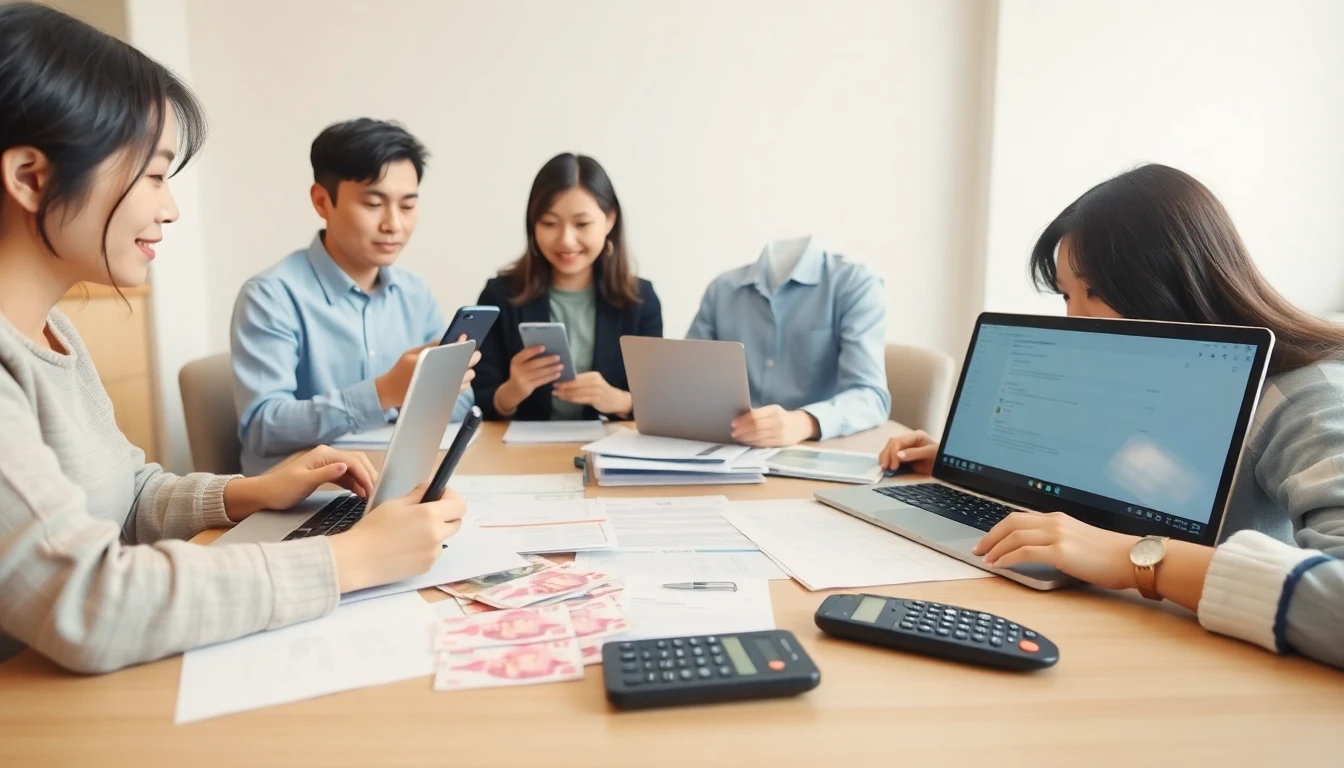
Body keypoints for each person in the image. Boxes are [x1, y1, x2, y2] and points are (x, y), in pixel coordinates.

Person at [0, 4, 465, 673]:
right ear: (31, 178)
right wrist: (353, 558)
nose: (170, 207)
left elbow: (126, 493)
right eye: (155, 174)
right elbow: (88, 600)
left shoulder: (55, 331)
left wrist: (245, 493)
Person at [879, 164, 1344, 669]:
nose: (1072, 322)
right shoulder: (1150, 374)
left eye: (1094, 292)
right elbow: (1102, 504)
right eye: (1064, 295)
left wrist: (1139, 559)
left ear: (1173, 279)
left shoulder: (1308, 399)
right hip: (1127, 634)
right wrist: (971, 469)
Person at [230, 118, 476, 475]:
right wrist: (383, 393)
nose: (394, 224)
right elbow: (263, 428)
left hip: (393, 480)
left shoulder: (415, 293)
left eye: (407, 206)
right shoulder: (270, 296)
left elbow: (462, 402)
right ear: (321, 201)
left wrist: (426, 389)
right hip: (304, 496)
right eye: (374, 204)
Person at [473, 153, 662, 421]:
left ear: (609, 220)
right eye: (549, 223)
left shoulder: (641, 300)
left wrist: (618, 400)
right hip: (518, 455)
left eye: (582, 224)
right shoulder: (499, 296)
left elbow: (660, 402)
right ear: (533, 225)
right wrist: (512, 391)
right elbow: (478, 399)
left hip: (604, 449)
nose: (566, 240)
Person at [687, 235, 891, 447]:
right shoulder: (721, 289)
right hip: (729, 448)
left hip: (814, 451)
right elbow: (686, 381)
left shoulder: (855, 283)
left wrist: (805, 421)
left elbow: (871, 397)